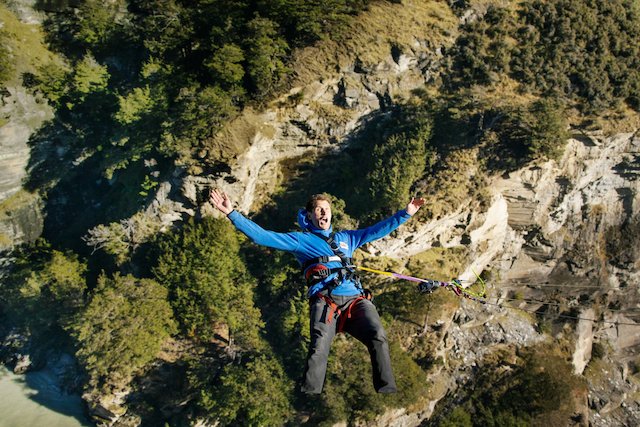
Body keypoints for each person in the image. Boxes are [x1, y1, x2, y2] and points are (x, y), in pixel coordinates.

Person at [209, 189, 425, 394]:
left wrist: (405, 214)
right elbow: (263, 237)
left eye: (326, 209)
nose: (323, 212)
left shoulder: (347, 238)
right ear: (310, 216)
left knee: (377, 335)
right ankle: (310, 391)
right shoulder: (301, 240)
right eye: (319, 209)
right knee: (319, 345)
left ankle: (385, 386)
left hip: (355, 300)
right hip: (325, 300)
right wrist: (231, 213)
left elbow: (377, 230)